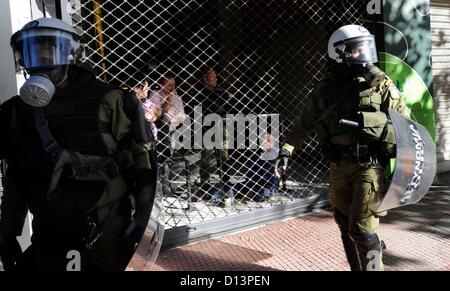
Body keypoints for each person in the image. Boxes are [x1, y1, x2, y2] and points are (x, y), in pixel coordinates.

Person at [0, 18, 156, 271]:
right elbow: (16, 178)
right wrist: (7, 235)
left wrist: (141, 219)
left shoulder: (113, 101)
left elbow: (142, 165)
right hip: (49, 233)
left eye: (49, 51)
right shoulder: (16, 112)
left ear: (73, 55)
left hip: (105, 232)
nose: (40, 61)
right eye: (31, 53)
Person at [279, 25, 410, 271]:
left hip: (369, 166)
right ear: (339, 53)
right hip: (338, 165)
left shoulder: (380, 84)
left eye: (365, 47)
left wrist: (374, 125)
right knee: (343, 220)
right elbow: (303, 124)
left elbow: (405, 124)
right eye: (357, 49)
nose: (364, 53)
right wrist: (287, 149)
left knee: (362, 229)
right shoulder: (325, 89)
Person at [197, 69, 232, 204]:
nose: (214, 80)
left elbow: (228, 108)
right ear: (205, 80)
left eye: (215, 77)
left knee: (223, 157)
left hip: (221, 127)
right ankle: (205, 186)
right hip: (206, 128)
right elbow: (196, 110)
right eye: (211, 77)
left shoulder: (222, 92)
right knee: (206, 158)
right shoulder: (200, 93)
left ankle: (226, 185)